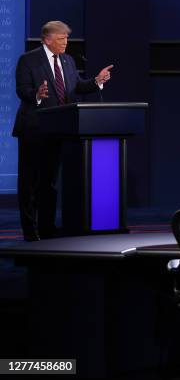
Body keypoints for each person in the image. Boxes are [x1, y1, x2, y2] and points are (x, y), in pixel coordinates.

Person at [13, 20, 114, 241]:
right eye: (61, 39)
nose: (66, 43)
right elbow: (22, 89)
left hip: (58, 130)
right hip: (33, 129)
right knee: (29, 183)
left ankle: (47, 228)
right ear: (47, 39)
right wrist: (37, 95)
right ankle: (30, 232)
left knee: (49, 184)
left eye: (67, 38)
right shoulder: (28, 60)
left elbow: (76, 87)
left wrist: (96, 81)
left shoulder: (68, 61)